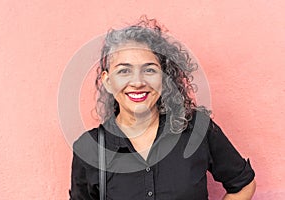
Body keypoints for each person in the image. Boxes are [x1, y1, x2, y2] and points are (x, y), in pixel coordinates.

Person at [69, 17, 256, 200]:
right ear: (108, 81)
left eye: (149, 70)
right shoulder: (89, 148)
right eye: (124, 71)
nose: (137, 82)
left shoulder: (196, 130)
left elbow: (243, 185)